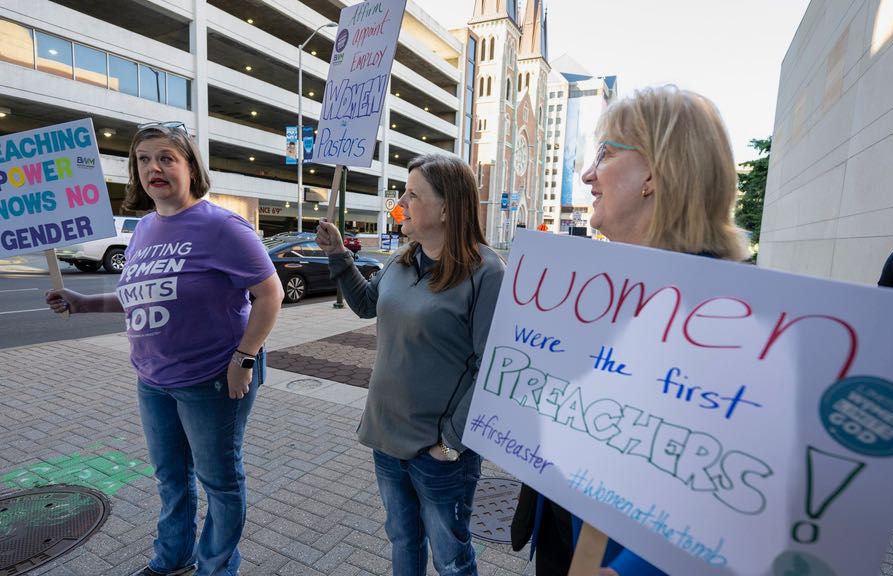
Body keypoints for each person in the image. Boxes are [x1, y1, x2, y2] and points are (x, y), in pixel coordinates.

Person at [511, 85, 749, 575]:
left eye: (605, 153)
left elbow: (732, 497)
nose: (588, 174)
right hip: (562, 531)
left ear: (655, 174)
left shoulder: (727, 320)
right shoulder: (595, 284)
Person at [45, 121, 283, 576]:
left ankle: (216, 568)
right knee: (172, 480)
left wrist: (245, 358)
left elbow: (269, 294)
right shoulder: (144, 229)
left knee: (219, 483)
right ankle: (173, 559)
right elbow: (142, 294)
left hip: (214, 378)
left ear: (190, 167)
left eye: (166, 158)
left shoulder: (222, 226)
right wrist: (83, 303)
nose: (154, 167)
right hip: (154, 380)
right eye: (143, 159)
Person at [315, 153, 506, 576]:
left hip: (437, 452)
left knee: (451, 559)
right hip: (386, 437)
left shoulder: (486, 273)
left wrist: (449, 443)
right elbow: (367, 305)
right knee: (403, 541)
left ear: (445, 208)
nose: (399, 203)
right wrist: (338, 256)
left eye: (412, 194)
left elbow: (491, 367)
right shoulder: (403, 258)